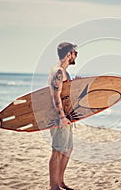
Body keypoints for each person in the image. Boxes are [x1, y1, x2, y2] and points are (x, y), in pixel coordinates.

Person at [48, 42, 78, 190]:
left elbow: (66, 93)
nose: (75, 56)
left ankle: (60, 182)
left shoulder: (64, 72)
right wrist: (61, 116)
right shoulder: (59, 71)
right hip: (59, 117)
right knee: (57, 150)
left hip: (67, 116)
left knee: (67, 149)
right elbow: (55, 95)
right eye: (74, 53)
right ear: (68, 55)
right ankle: (53, 186)